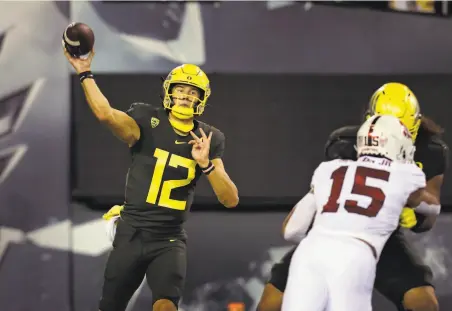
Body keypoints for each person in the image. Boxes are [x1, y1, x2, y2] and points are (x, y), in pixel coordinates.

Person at [64, 47, 239, 311]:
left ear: (201, 99)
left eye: (193, 92)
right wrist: (84, 71)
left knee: (166, 306)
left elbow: (230, 199)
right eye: (181, 89)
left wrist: (205, 165)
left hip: (169, 239)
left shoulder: (209, 138)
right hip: (132, 232)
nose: (185, 96)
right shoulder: (147, 120)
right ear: (169, 91)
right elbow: (105, 114)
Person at [258, 82, 447, 311]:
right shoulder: (395, 171)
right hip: (347, 239)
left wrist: (416, 214)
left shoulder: (332, 168)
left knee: (423, 303)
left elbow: (291, 230)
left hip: (371, 235)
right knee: (272, 302)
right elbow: (431, 207)